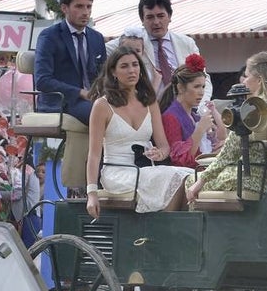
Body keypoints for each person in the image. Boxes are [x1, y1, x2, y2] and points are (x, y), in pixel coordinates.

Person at [85, 47, 193, 218]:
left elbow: (164, 146)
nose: (132, 70)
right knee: (176, 177)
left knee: (190, 176)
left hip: (146, 168)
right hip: (117, 172)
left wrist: (159, 153)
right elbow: (94, 155)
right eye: (124, 66)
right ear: (113, 72)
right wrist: (92, 193)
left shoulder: (149, 101)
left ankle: (169, 230)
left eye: (135, 65)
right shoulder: (102, 105)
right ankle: (164, 230)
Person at [186, 52, 267, 205]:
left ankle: (201, 227)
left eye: (246, 76)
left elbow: (229, 153)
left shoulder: (253, 109)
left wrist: (200, 181)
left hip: (248, 179)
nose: (243, 81)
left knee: (190, 180)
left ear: (260, 80)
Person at [33, 0, 106, 125]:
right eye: (79, 6)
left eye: (89, 6)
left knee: (132, 111)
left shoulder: (97, 38)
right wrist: (80, 92)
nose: (85, 12)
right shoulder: (49, 37)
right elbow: (42, 81)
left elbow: (104, 75)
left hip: (93, 100)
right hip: (60, 102)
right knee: (102, 113)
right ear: (64, 8)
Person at [158, 54, 226, 169]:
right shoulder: (170, 117)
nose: (201, 92)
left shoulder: (195, 116)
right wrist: (200, 130)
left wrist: (219, 147)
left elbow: (218, 139)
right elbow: (179, 161)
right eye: (196, 86)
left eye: (203, 87)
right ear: (180, 88)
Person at [114, 26, 161, 94]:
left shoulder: (147, 72)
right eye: (128, 49)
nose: (133, 54)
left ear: (143, 52)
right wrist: (156, 82)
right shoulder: (118, 71)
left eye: (137, 50)